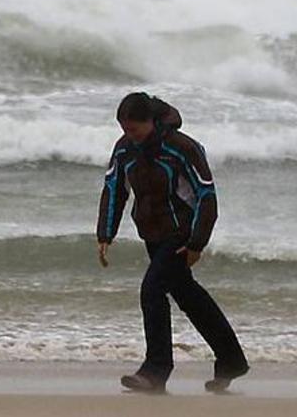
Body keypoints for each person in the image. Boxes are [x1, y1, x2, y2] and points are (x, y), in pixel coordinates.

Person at [95, 92, 248, 393]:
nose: (129, 136)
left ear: (151, 121)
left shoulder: (182, 148)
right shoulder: (125, 149)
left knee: (151, 291)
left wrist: (197, 243)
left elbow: (207, 197)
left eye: (134, 129)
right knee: (188, 295)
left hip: (181, 233)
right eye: (124, 129)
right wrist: (105, 233)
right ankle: (231, 359)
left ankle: (155, 371)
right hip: (152, 234)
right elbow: (114, 189)